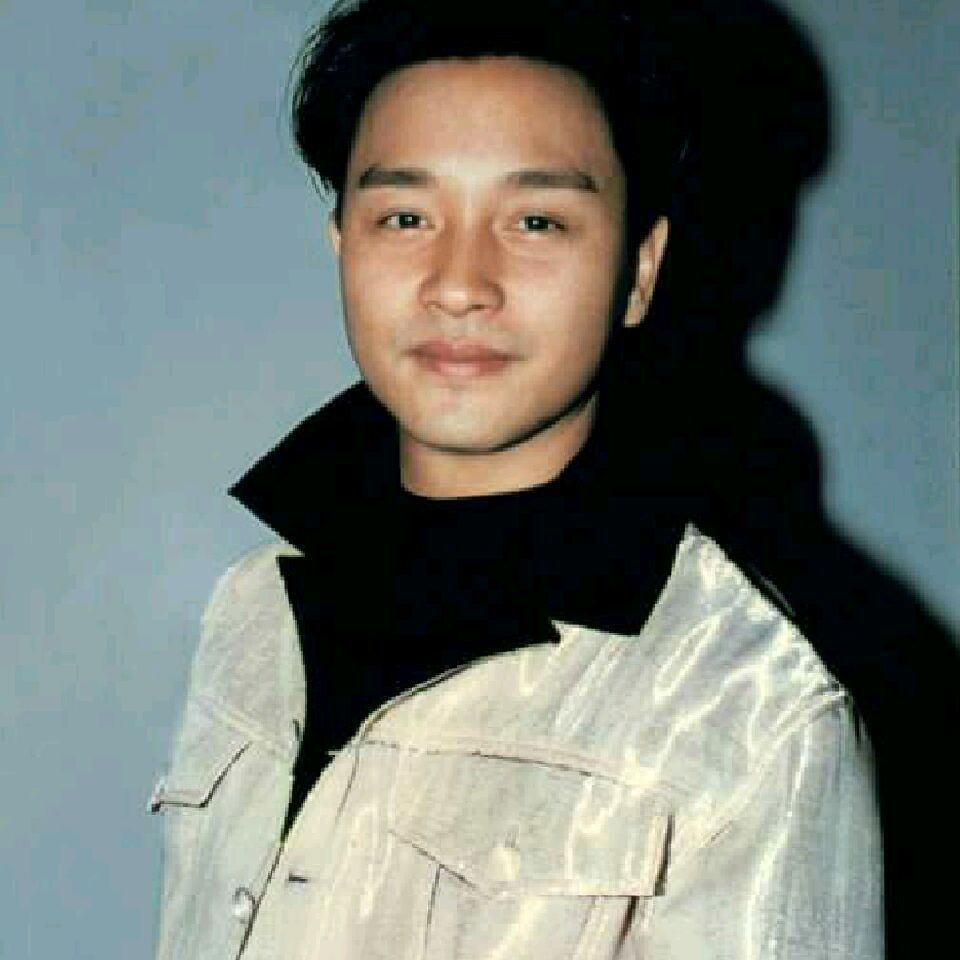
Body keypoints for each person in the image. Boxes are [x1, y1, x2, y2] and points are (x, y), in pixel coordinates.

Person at [149, 1, 884, 957]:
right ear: (342, 244)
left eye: (536, 221)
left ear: (640, 270)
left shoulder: (748, 711)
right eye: (405, 217)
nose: (459, 283)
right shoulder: (252, 610)